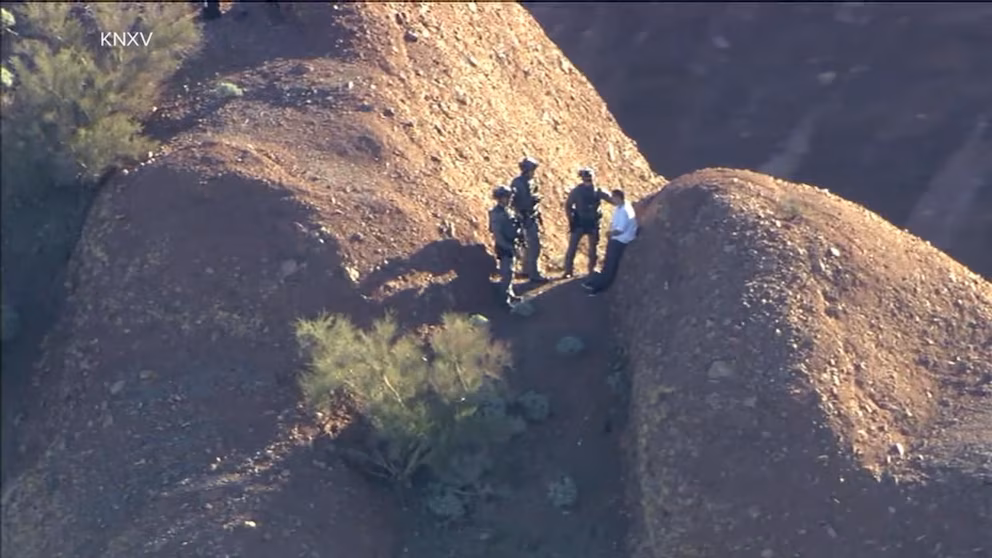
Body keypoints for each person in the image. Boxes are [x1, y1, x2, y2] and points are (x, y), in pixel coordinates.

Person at [583, 189, 637, 296]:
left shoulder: (625, 211)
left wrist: (609, 234)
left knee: (610, 265)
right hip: (617, 238)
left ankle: (600, 287)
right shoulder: (620, 207)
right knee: (607, 262)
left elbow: (620, 230)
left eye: (613, 197)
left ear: (618, 198)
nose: (612, 199)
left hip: (621, 239)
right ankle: (596, 282)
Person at [562, 167, 612, 278]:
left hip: (593, 223)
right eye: (587, 178)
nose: (588, 180)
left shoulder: (598, 191)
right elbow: (568, 205)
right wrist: (571, 220)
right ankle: (568, 270)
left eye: (590, 178)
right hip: (580, 223)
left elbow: (611, 199)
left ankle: (591, 269)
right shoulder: (577, 191)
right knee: (573, 247)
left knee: (593, 248)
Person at [509, 156, 548, 283]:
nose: (533, 172)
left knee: (531, 245)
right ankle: (533, 273)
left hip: (532, 216)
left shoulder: (532, 181)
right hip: (523, 217)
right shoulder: (517, 183)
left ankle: (527, 270)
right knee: (533, 246)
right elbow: (511, 202)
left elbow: (534, 197)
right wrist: (518, 215)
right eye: (532, 170)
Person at [489, 186, 523, 307]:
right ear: (500, 198)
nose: (509, 199)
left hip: (511, 243)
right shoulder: (496, 213)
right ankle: (504, 299)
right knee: (506, 272)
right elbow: (497, 234)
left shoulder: (508, 210)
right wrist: (508, 247)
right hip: (504, 246)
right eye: (507, 197)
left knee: (511, 271)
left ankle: (510, 293)